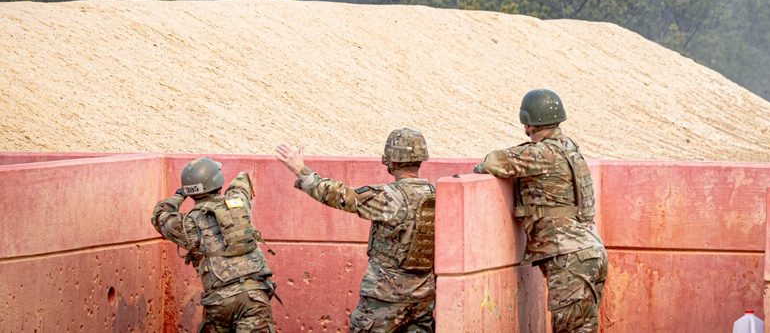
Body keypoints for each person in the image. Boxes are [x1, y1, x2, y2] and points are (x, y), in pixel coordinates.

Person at [473, 89, 608, 333]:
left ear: (527, 123)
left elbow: (494, 162)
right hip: (590, 253)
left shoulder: (543, 153)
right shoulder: (569, 147)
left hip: (569, 258)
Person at [275, 128, 436, 332]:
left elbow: (341, 196)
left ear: (391, 160)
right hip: (423, 299)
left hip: (385, 299)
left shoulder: (388, 197)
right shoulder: (436, 195)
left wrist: (301, 171)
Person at [150, 157, 277, 333]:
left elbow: (159, 216)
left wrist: (180, 195)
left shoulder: (187, 224)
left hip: (219, 302)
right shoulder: (238, 204)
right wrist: (243, 175)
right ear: (218, 182)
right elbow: (241, 183)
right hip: (254, 298)